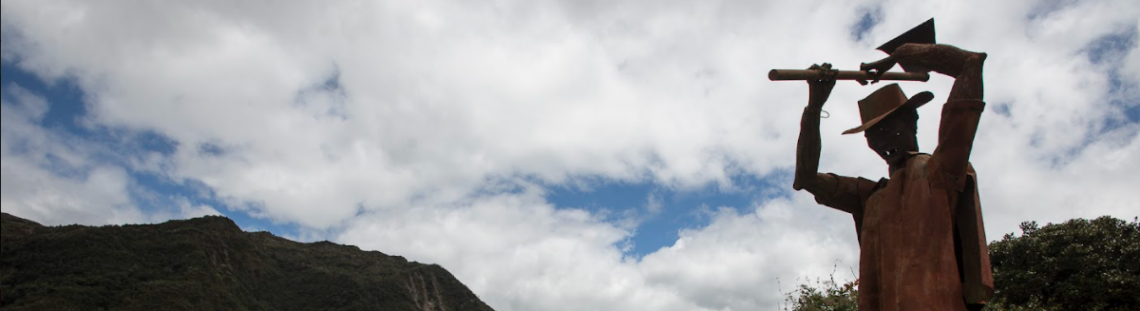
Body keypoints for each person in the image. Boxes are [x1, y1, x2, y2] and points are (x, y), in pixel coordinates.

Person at [792, 43, 994, 311]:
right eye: (873, 135)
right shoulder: (871, 195)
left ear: (912, 120)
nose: (882, 140)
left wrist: (901, 54)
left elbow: (970, 64)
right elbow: (806, 178)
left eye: (889, 128)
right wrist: (814, 107)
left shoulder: (938, 170)